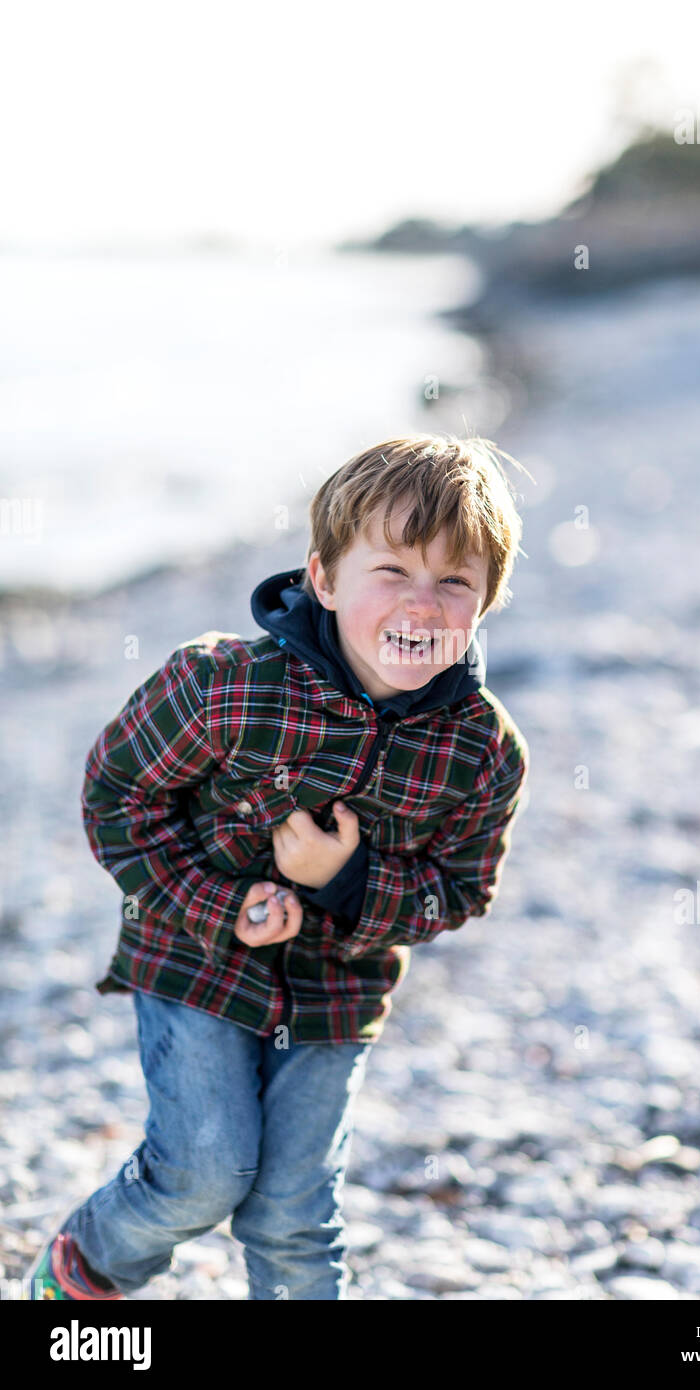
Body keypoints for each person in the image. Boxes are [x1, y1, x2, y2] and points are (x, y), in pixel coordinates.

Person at [25, 433, 532, 1301]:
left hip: (337, 992)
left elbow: (460, 890)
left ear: (487, 603)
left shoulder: (483, 751)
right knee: (204, 1172)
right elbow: (118, 793)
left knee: (293, 1211)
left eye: (455, 581)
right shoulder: (225, 684)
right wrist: (217, 902)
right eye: (393, 572)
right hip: (193, 958)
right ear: (324, 580)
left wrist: (345, 881)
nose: (423, 604)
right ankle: (88, 1264)